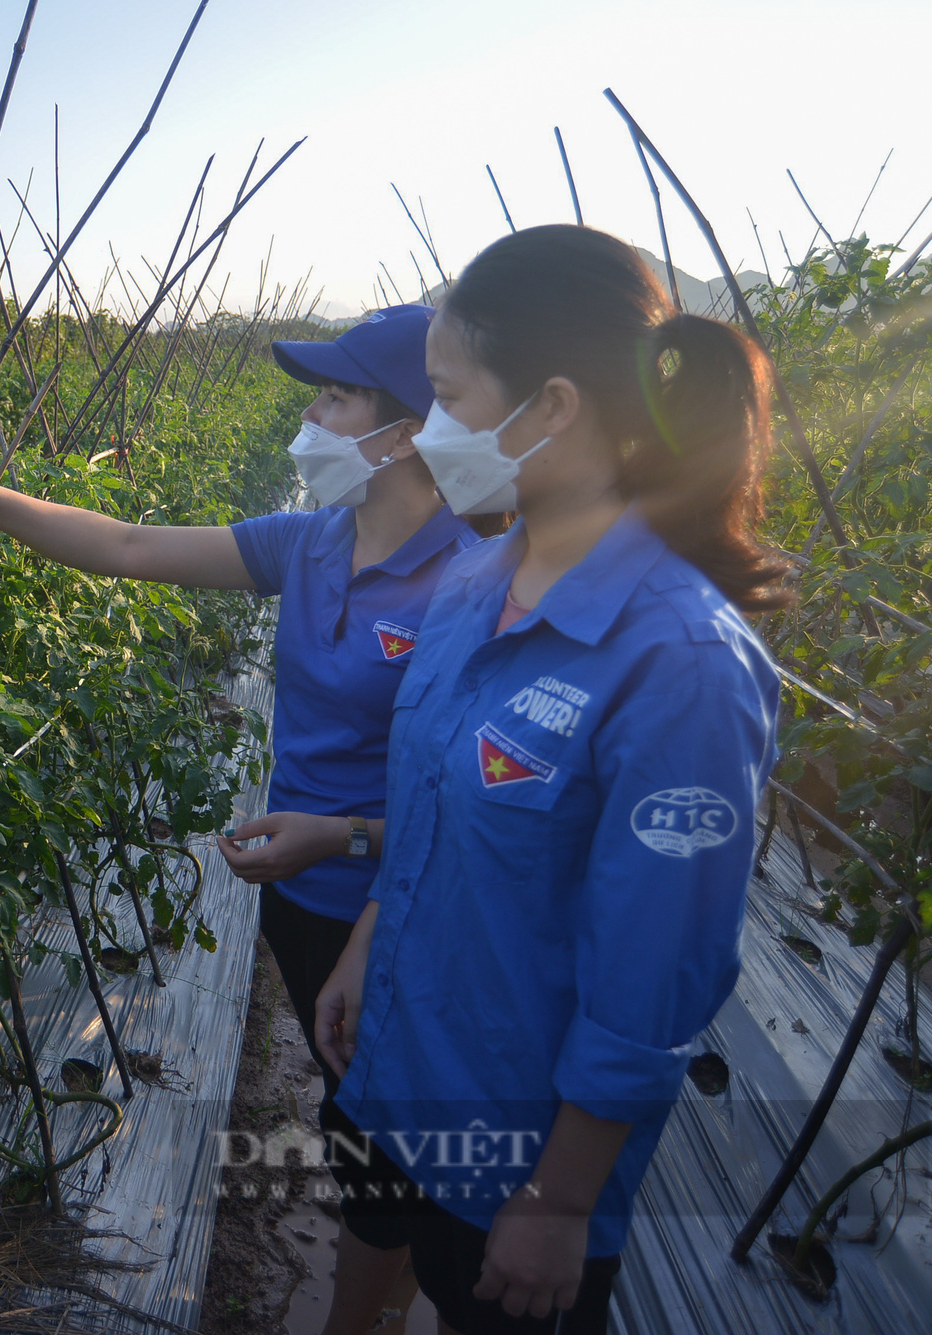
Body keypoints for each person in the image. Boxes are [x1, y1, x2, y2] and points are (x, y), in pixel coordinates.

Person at [312, 226, 784, 1335]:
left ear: (552, 407)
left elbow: (650, 977)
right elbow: (432, 808)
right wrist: (364, 940)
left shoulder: (679, 668)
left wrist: (558, 1198)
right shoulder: (477, 576)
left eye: (444, 395)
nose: (429, 431)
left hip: (518, 1155)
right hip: (406, 1071)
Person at [0, 304, 473, 1086]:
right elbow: (127, 544)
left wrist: (341, 837)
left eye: (335, 397)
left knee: (394, 1118)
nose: (309, 412)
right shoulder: (312, 539)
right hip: (296, 892)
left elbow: (469, 806)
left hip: (399, 903)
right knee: (345, 1093)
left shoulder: (473, 580)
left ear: (405, 433)